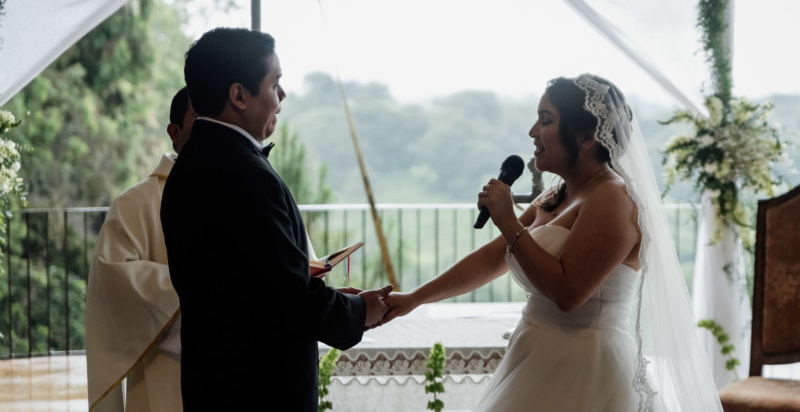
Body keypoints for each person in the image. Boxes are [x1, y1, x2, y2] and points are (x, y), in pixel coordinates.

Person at [382, 74, 723, 411]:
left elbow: (568, 294)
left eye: (545, 120)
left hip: (586, 368)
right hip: (534, 353)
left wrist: (508, 221)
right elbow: (492, 259)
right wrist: (414, 298)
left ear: (587, 137)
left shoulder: (614, 198)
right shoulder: (558, 193)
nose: (533, 132)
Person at [160, 27, 391, 411]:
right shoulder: (244, 173)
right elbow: (288, 299)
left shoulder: (189, 166)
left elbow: (249, 282)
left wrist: (331, 298)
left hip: (212, 381)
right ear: (239, 95)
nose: (282, 96)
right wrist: (361, 311)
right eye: (274, 84)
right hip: (259, 389)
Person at [86, 87, 195, 412]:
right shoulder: (136, 203)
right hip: (163, 376)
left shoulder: (247, 191)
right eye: (202, 120)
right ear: (174, 133)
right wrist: (204, 290)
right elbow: (113, 279)